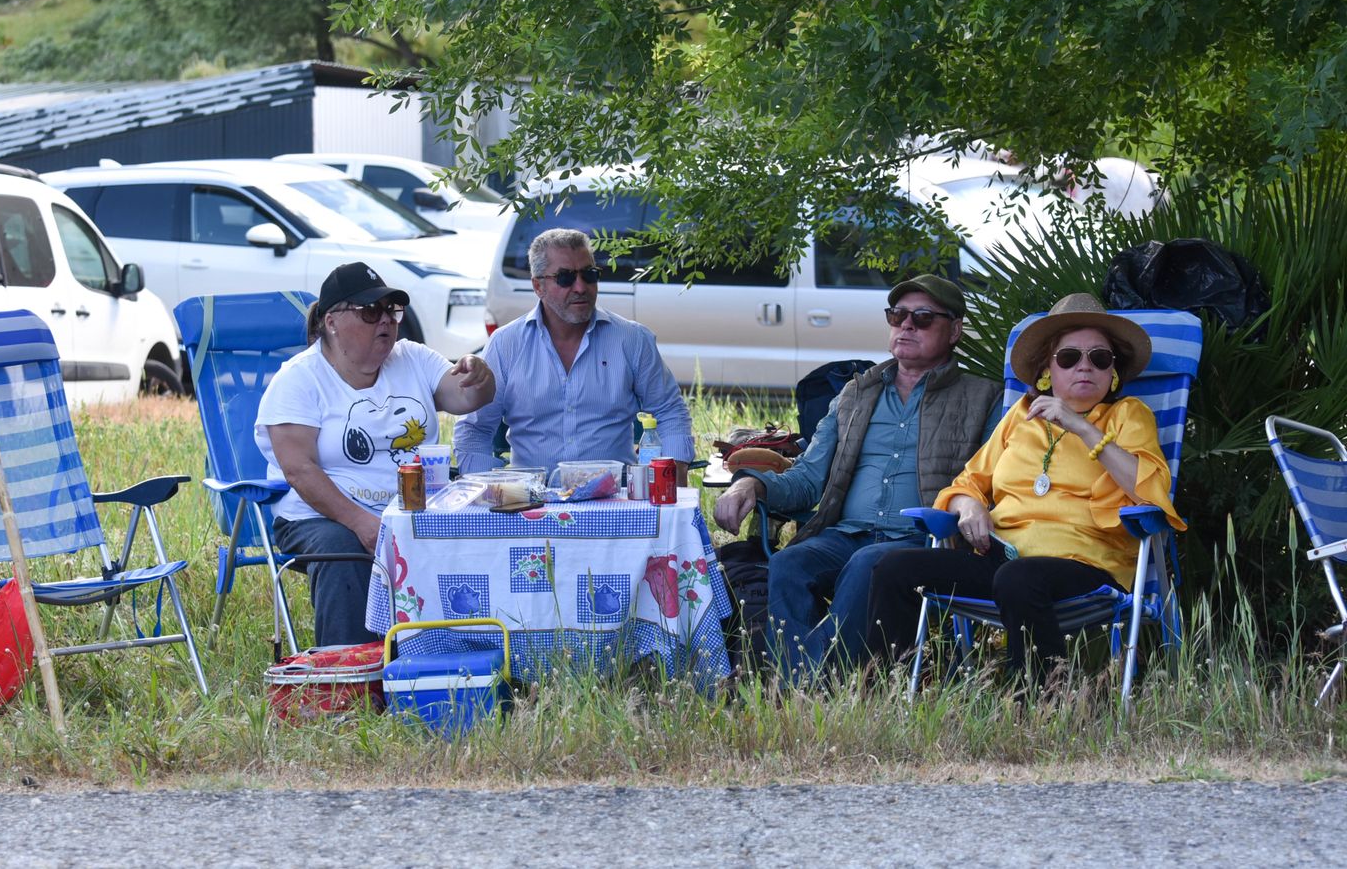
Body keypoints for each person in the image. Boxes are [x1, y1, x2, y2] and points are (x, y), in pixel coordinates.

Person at [866, 293, 1185, 687]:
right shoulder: (1021, 417)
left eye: (1099, 358)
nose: (1085, 366)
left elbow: (1149, 491)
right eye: (1069, 357)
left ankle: (1040, 705)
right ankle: (890, 689)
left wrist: (1083, 428)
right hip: (1004, 560)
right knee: (894, 568)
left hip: (1086, 567)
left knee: (1018, 578)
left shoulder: (1127, 415)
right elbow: (969, 481)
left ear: (1113, 373)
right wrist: (969, 507)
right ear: (1048, 370)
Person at [713, 275, 1003, 683]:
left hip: (923, 541)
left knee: (869, 563)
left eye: (922, 318)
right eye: (898, 315)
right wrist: (751, 483)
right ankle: (807, 682)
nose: (906, 325)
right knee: (790, 562)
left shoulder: (984, 398)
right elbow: (808, 479)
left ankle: (810, 685)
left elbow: (990, 483)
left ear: (954, 330)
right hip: (845, 535)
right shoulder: (855, 394)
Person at [256, 262, 496, 645]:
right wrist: (363, 524)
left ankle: (467, 654)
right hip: (322, 517)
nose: (385, 320)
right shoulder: (299, 379)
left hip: (416, 507)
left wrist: (480, 377)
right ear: (332, 321)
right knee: (342, 550)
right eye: (371, 312)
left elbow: (465, 396)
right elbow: (299, 470)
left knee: (485, 526)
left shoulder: (412, 358)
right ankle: (349, 672)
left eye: (391, 311)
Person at [453, 228, 694, 474]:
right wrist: (486, 489)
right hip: (531, 501)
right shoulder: (506, 344)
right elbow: (475, 428)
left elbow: (669, 410)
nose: (580, 287)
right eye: (565, 278)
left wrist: (674, 475)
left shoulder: (631, 339)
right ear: (538, 286)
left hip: (614, 498)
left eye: (589, 275)